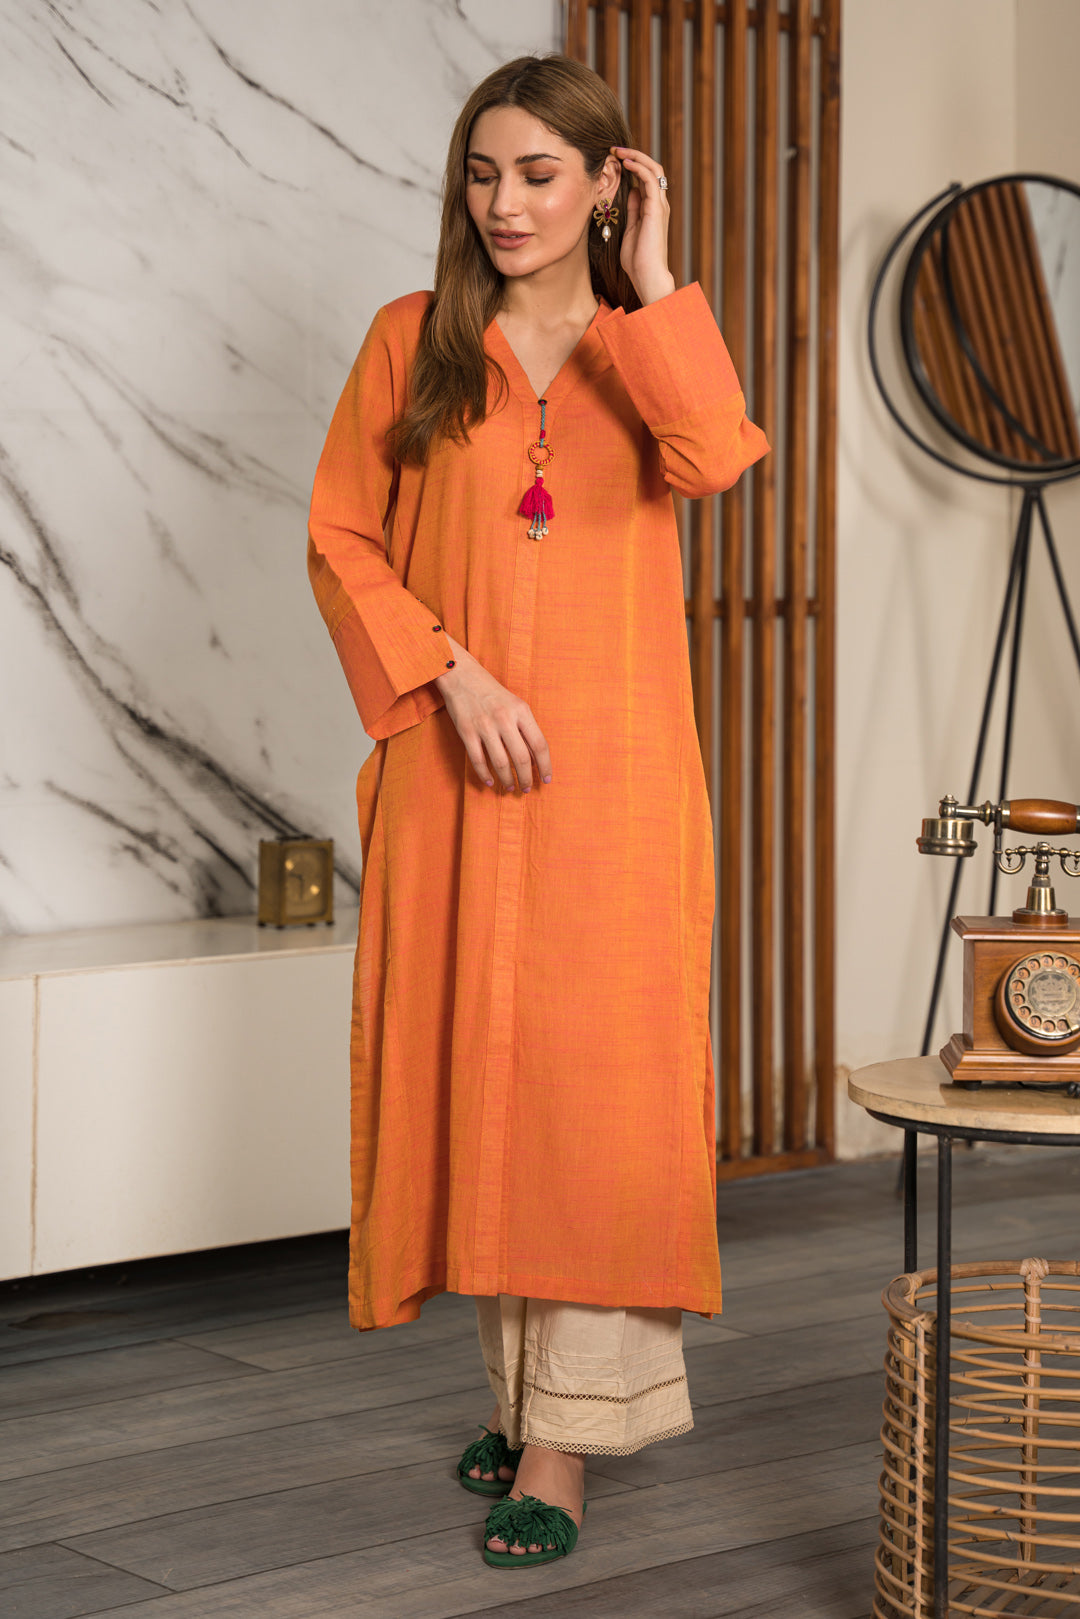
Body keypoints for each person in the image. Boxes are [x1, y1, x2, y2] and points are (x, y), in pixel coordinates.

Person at [307, 53, 767, 1569]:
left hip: (613, 785)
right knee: (483, 1076)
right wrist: (450, 674)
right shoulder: (413, 341)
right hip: (455, 773)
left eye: (540, 174)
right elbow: (341, 538)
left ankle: (565, 1443)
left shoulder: (647, 345)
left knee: (591, 1096)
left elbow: (716, 459)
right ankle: (521, 1402)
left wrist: (658, 281)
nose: (505, 203)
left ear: (605, 185)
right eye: (484, 173)